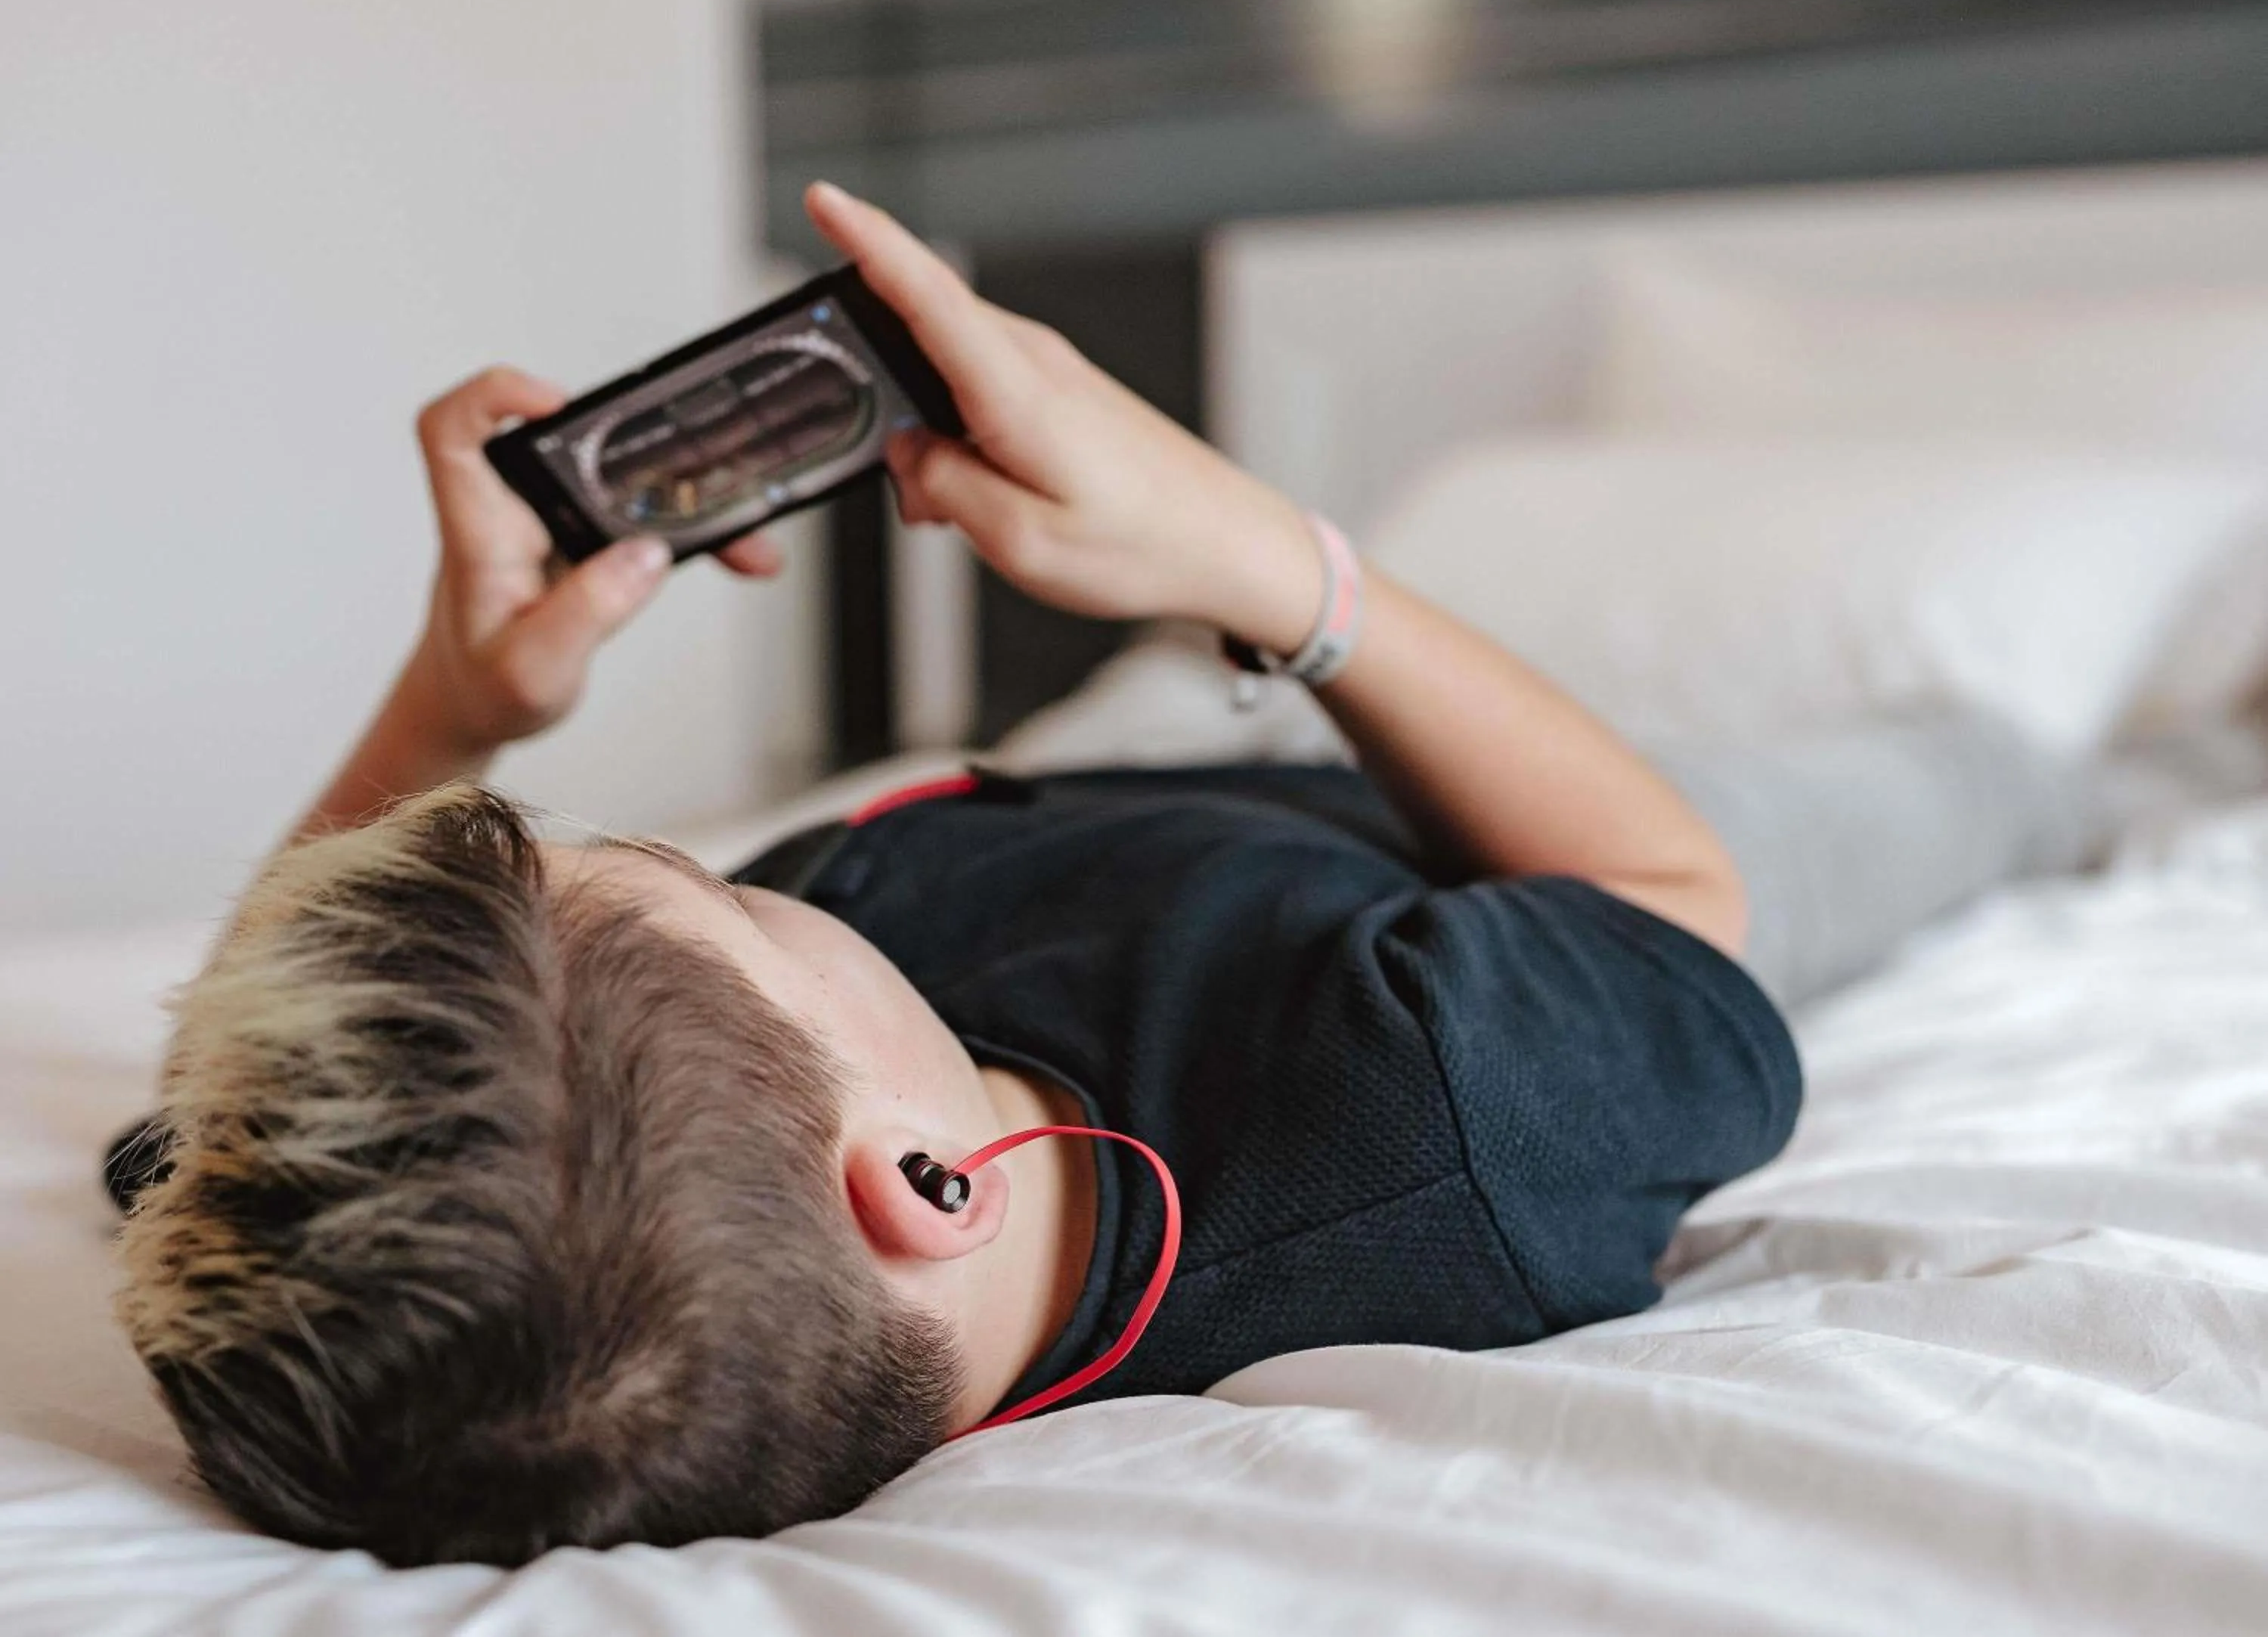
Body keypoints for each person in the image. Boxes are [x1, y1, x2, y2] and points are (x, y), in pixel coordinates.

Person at [107, 183, 2073, 1569]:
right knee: (1967, 764)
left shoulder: (471, 1261)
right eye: (733, 898)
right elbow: (1669, 873)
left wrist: (460, 698)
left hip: (1192, 782)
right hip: (1527, 831)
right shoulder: (1448, 1118)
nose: (779, 885)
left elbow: (219, 1117)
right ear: (922, 1186)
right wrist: (1253, 560)